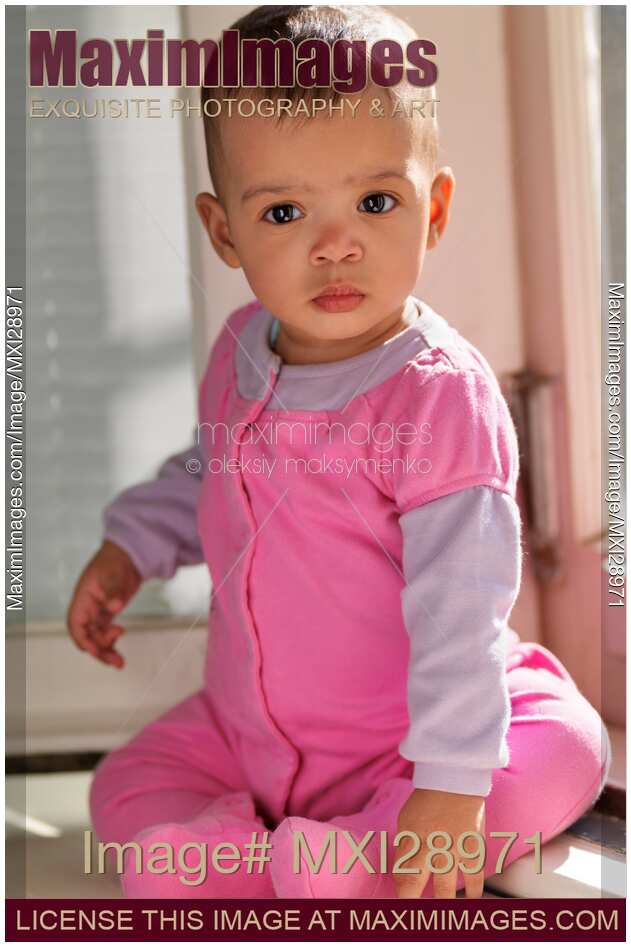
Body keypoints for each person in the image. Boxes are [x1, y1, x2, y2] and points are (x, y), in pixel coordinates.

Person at [67, 5, 611, 900]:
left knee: (566, 750)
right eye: (284, 210)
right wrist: (132, 547)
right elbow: (213, 474)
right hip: (250, 727)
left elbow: (459, 608)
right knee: (121, 784)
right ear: (224, 234)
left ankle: (362, 848)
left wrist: (447, 778)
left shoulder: (436, 395)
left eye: (374, 200)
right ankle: (242, 848)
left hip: (420, 730)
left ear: (431, 209)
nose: (336, 243)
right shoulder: (242, 349)